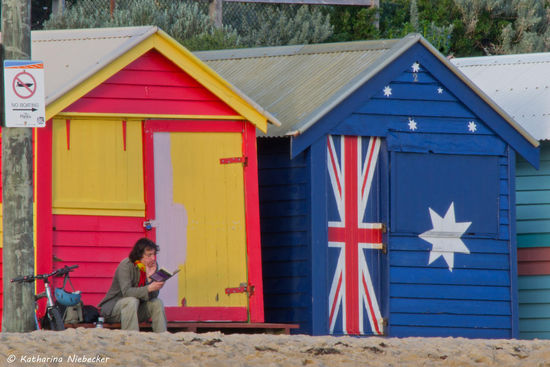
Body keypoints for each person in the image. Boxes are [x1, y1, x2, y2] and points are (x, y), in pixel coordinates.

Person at [98, 237, 167, 332]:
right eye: (149, 255)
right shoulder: (126, 265)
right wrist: (148, 288)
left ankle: (162, 337)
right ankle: (131, 337)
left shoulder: (153, 265)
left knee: (157, 302)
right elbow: (127, 292)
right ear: (140, 255)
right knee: (131, 301)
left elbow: (153, 295)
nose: (153, 258)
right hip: (114, 310)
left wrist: (151, 281)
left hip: (136, 309)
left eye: (154, 254)